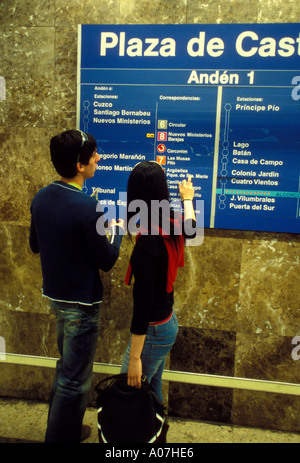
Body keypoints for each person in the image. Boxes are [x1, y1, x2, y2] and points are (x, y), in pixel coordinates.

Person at [29, 129, 124, 443]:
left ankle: (65, 429)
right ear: (80, 166)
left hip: (56, 297)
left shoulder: (41, 197)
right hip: (82, 305)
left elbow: (34, 245)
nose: (99, 157)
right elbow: (107, 260)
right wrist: (118, 232)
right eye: (94, 154)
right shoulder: (89, 207)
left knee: (64, 369)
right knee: (75, 381)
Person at [120, 160, 196, 401]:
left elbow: (142, 307)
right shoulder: (169, 222)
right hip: (167, 320)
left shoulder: (148, 243)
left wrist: (134, 360)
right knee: (151, 391)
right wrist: (187, 198)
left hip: (153, 328)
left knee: (128, 393)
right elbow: (191, 228)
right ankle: (156, 433)